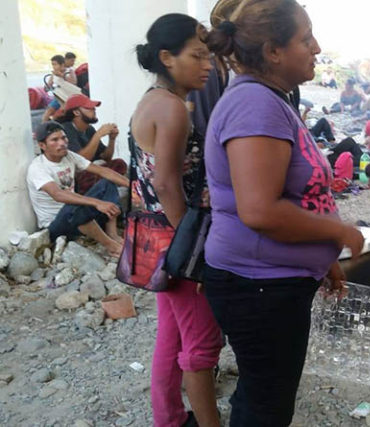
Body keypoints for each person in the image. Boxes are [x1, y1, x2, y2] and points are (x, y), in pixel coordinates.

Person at [203, 1, 365, 425]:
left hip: (272, 281)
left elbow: (295, 196)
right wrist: (341, 231)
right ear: (273, 51)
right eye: (305, 37)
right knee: (266, 404)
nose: (317, 46)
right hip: (257, 286)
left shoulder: (271, 99)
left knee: (266, 393)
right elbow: (259, 210)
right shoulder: (255, 103)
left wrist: (323, 254)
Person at [131, 14, 223, 427]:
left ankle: (167, 418)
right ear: (167, 57)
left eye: (209, 56)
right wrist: (193, 253)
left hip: (158, 238)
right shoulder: (171, 110)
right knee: (202, 342)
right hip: (177, 243)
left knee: (171, 335)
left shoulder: (153, 99)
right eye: (198, 56)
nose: (207, 65)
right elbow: (166, 182)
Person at [27, 120, 127, 256]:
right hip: (56, 224)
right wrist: (98, 203)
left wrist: (134, 186)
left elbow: (103, 171)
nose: (62, 143)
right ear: (42, 145)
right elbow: (57, 194)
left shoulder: (68, 155)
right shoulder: (38, 168)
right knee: (75, 203)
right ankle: (111, 246)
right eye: (54, 140)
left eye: (63, 138)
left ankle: (112, 234)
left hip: (77, 216)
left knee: (107, 183)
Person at [55, 94, 127, 194]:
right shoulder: (66, 129)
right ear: (76, 112)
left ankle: (104, 188)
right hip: (75, 177)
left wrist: (112, 139)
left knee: (119, 164)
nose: (94, 109)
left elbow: (106, 157)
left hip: (92, 171)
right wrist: (98, 135)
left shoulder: (89, 129)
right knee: (93, 176)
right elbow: (79, 161)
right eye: (89, 108)